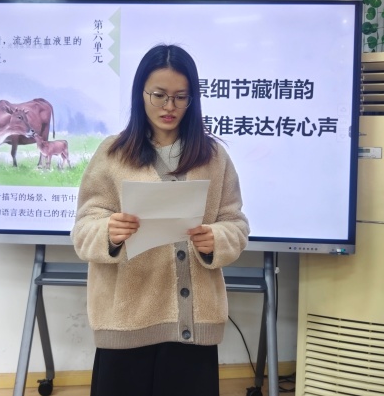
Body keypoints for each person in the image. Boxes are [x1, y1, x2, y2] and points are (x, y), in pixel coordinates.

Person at [71, 44, 250, 396]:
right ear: (141, 93)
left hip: (193, 327)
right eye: (159, 95)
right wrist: (109, 232)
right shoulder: (112, 154)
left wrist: (216, 240)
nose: (170, 107)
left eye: (181, 97)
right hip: (126, 322)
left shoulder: (214, 157)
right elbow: (83, 229)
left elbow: (236, 223)